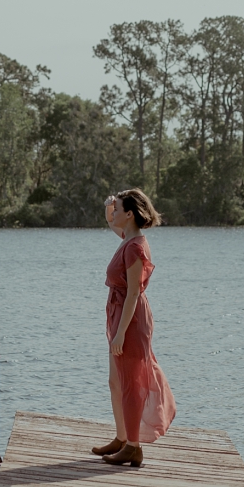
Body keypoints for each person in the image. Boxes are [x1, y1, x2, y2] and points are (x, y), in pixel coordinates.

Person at [92, 188, 176, 467]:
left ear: (129, 214)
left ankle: (134, 447)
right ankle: (121, 437)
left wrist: (120, 333)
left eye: (118, 209)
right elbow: (110, 222)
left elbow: (133, 294)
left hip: (131, 318)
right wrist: (109, 205)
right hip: (119, 315)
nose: (113, 213)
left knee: (131, 384)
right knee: (115, 381)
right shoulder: (128, 238)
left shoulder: (136, 247)